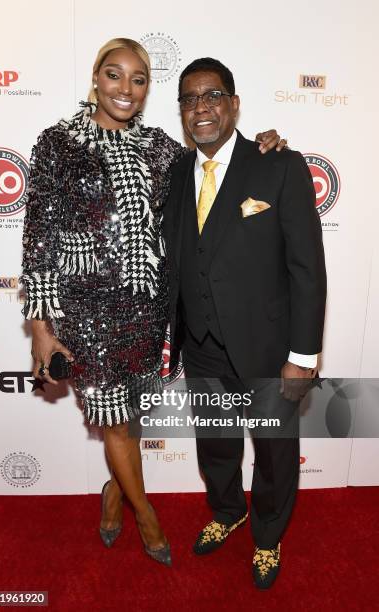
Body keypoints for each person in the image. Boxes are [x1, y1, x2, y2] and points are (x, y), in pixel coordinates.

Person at [20, 39, 286, 567]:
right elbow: (39, 237)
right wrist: (42, 326)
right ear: (96, 78)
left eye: (138, 79)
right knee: (115, 421)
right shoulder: (57, 144)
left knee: (132, 416)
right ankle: (147, 517)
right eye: (114, 75)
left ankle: (114, 493)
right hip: (85, 314)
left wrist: (261, 148)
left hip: (151, 313)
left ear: (147, 90)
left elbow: (218, 169)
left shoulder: (162, 149)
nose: (125, 88)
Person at [163, 58, 326, 587]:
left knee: (275, 454)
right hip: (202, 346)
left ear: (234, 104)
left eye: (212, 96)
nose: (200, 107)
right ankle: (228, 510)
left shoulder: (278, 164)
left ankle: (268, 535)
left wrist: (303, 356)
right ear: (182, 112)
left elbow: (307, 268)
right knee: (215, 444)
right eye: (189, 99)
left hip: (267, 347)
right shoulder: (173, 174)